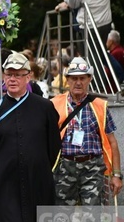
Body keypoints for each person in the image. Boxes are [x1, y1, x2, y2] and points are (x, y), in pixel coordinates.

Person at [0, 53, 61, 222]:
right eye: (9, 74)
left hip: (38, 181)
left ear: (28, 77)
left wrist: (39, 166)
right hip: (4, 185)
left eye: (18, 74)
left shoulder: (45, 107)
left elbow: (54, 145)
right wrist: (4, 168)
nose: (12, 79)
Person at [51, 56, 122, 206]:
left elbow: (112, 142)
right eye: (74, 78)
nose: (78, 82)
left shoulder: (100, 105)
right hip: (64, 167)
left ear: (89, 79)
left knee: (93, 220)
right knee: (60, 221)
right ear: (67, 80)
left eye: (82, 78)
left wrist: (116, 175)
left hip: (93, 168)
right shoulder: (54, 104)